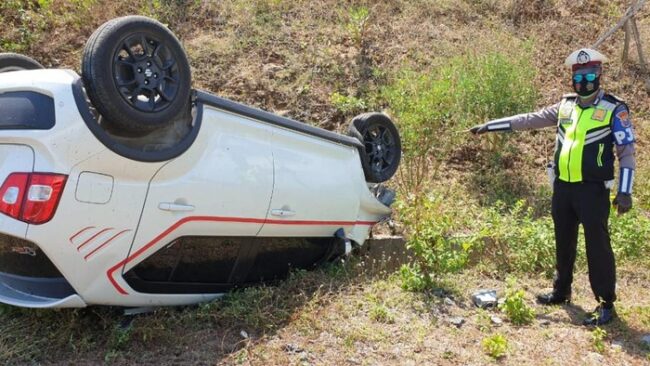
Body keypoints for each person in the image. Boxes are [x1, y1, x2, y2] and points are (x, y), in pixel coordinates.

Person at [470, 48, 636, 326]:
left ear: (600, 75)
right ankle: (562, 290)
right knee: (563, 240)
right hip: (564, 187)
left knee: (598, 247)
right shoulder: (565, 106)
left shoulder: (614, 109)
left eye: (590, 75)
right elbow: (529, 120)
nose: (584, 81)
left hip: (593, 190)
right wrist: (491, 125)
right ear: (572, 78)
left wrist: (625, 190)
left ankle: (606, 303)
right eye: (579, 76)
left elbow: (627, 151)